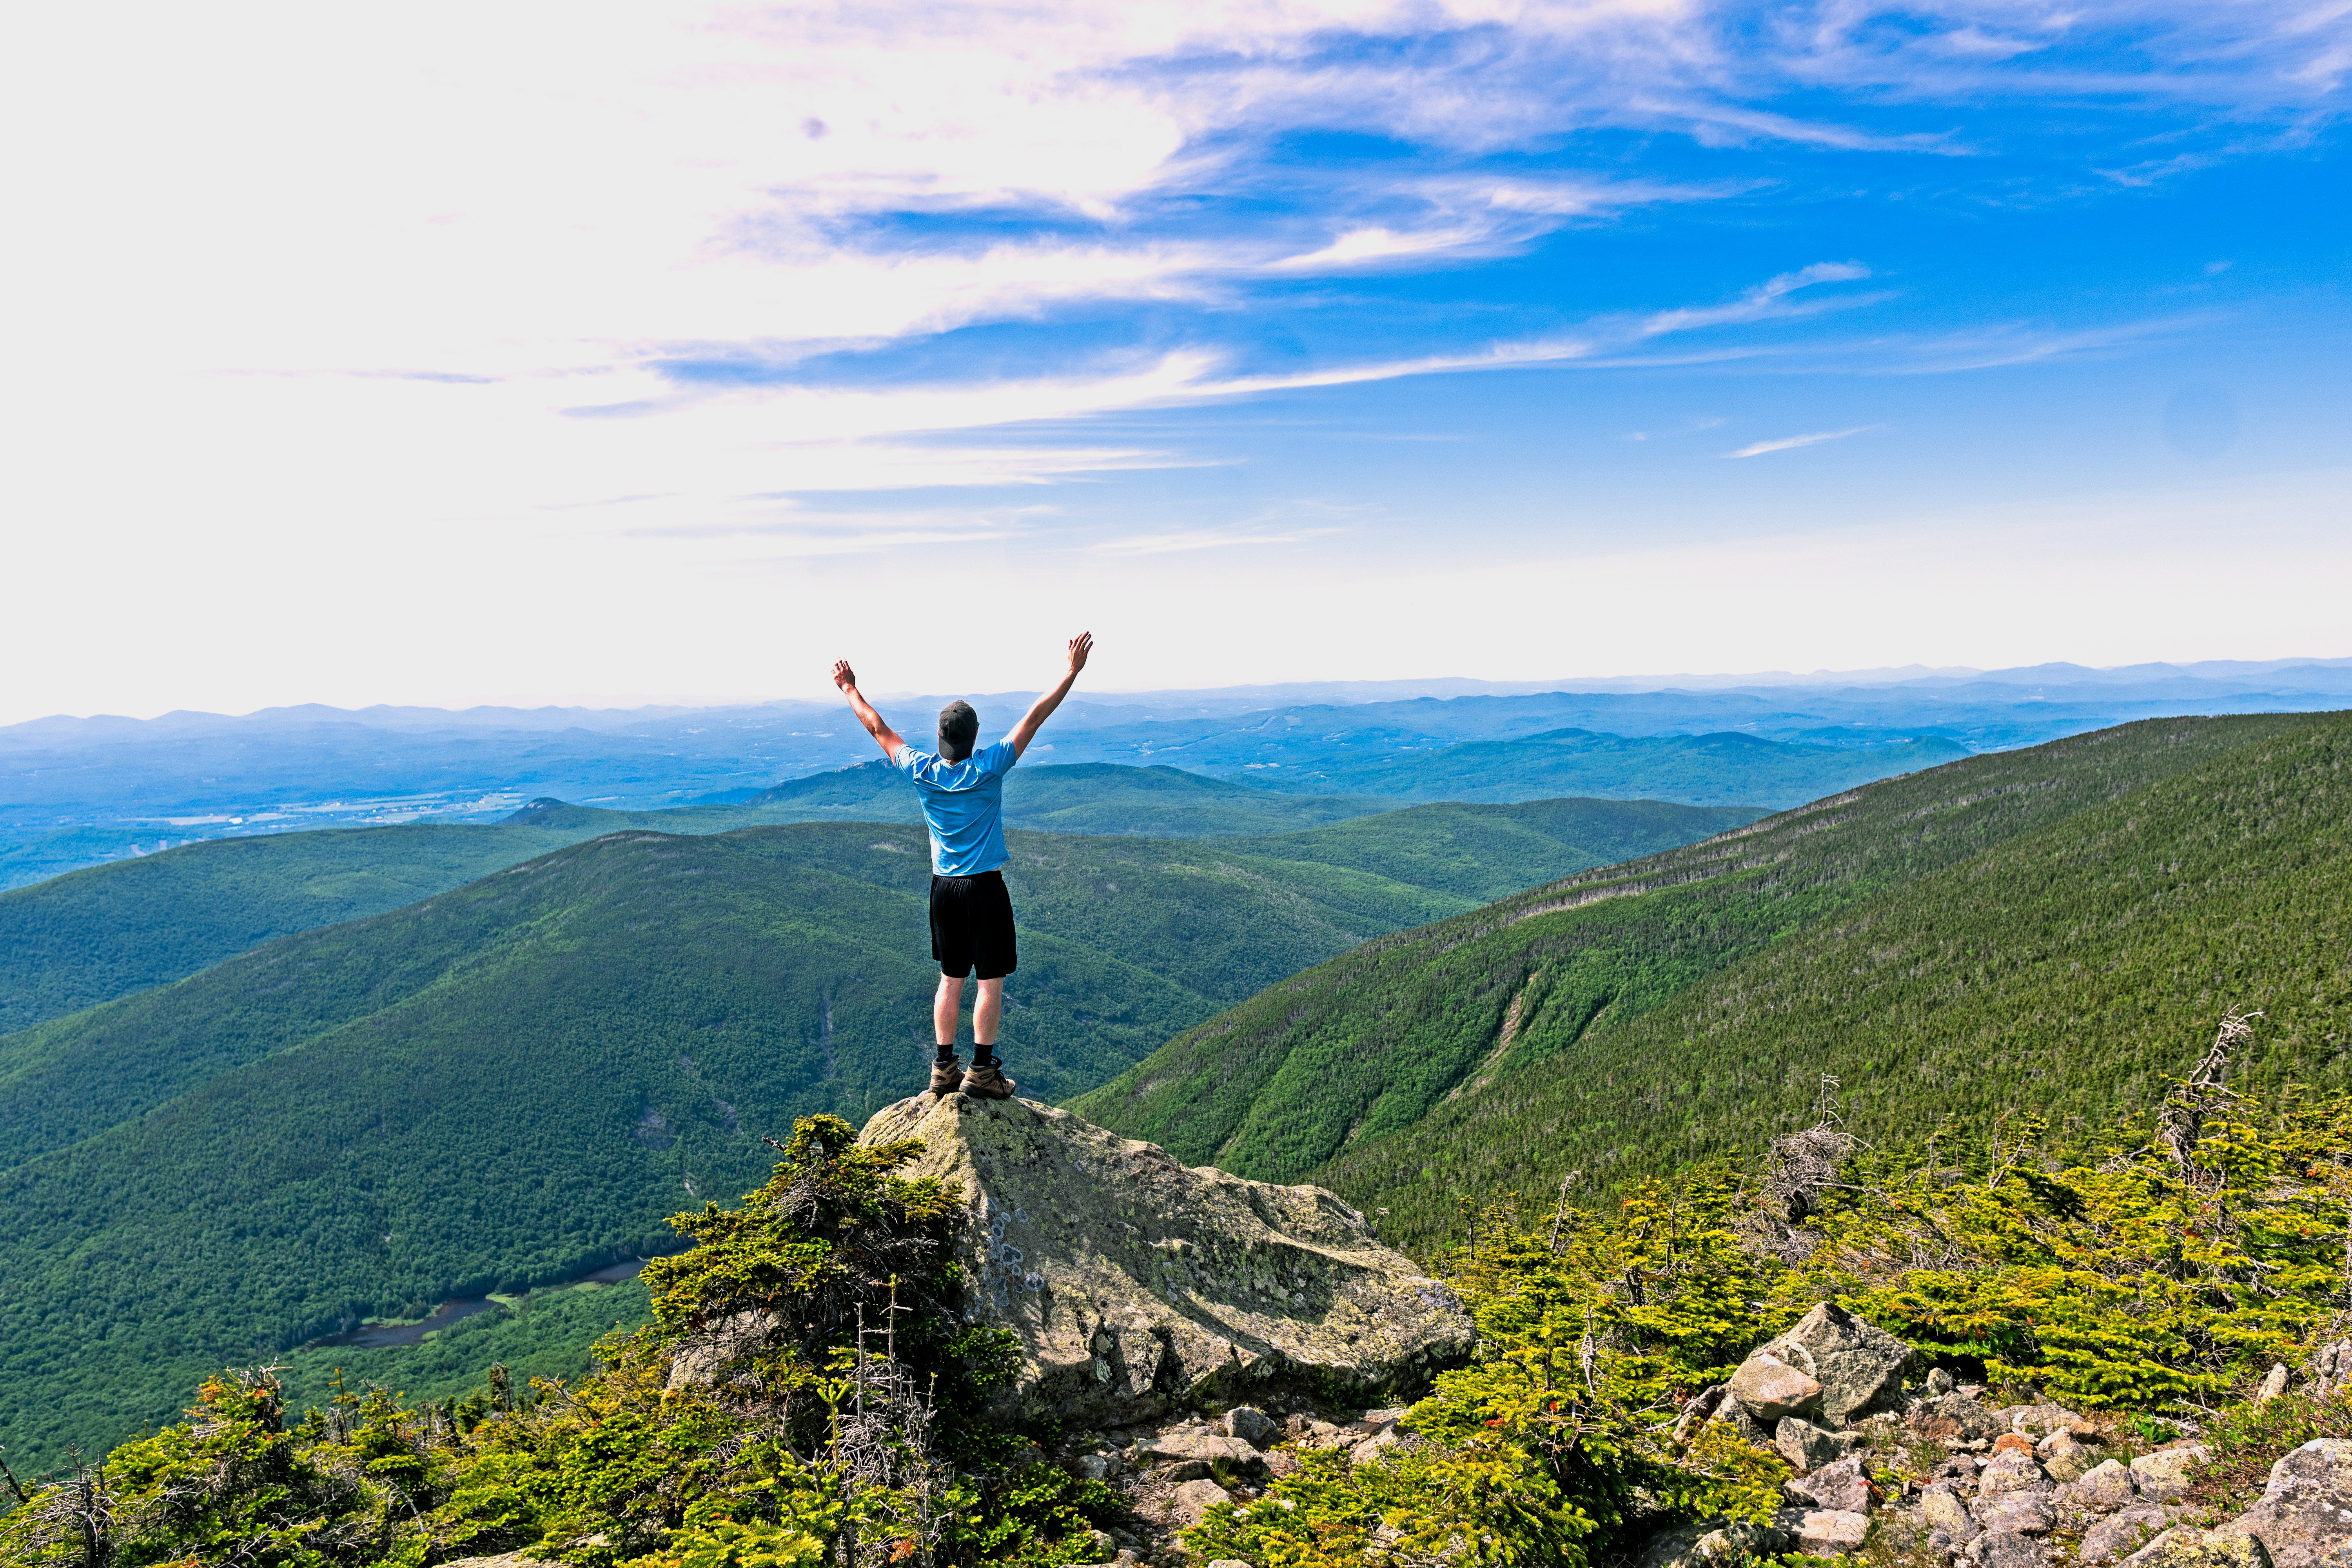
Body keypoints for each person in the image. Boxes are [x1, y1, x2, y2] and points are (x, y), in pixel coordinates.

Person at [831, 632, 1093, 1100]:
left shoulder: (922, 770)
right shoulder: (989, 767)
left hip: (944, 889)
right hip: (985, 888)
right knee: (990, 981)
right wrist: (1070, 671)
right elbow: (1034, 718)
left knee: (950, 979)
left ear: (940, 738)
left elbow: (877, 728)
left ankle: (943, 1067)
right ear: (974, 738)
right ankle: (982, 1071)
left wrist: (849, 687)